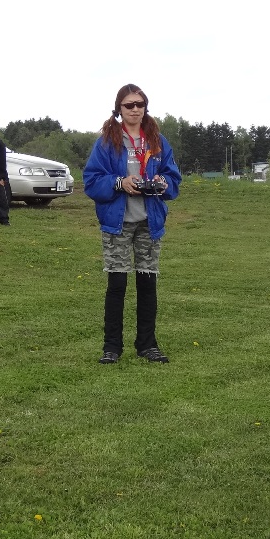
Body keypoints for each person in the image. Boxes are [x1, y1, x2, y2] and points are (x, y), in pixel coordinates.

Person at [83, 84, 182, 364]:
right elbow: (91, 180)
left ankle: (147, 345)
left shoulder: (157, 141)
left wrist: (163, 182)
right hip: (118, 223)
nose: (135, 109)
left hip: (149, 222)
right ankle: (112, 347)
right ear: (119, 109)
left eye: (140, 104)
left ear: (145, 107)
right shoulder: (107, 142)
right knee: (117, 284)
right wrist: (120, 182)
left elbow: (173, 177)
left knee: (147, 284)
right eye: (129, 105)